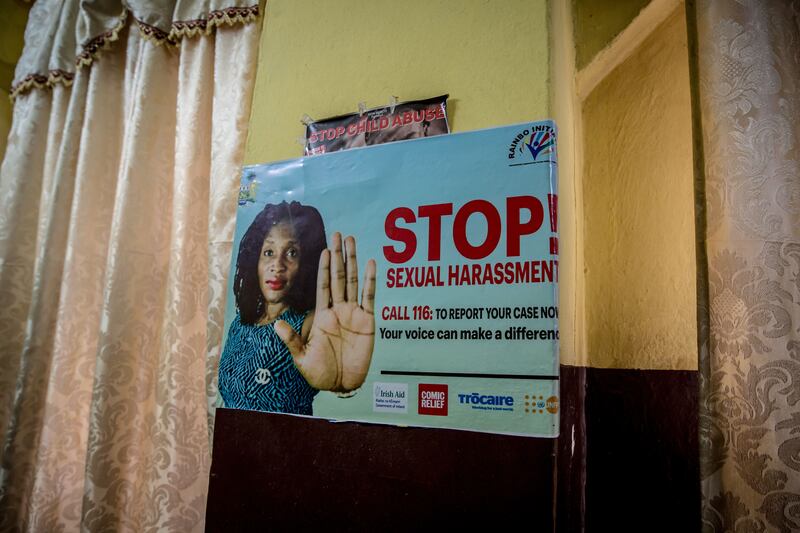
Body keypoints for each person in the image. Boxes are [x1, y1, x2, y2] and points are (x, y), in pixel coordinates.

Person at [218, 201, 376, 415]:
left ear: (306, 263)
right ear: (254, 259)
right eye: (269, 252)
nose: (278, 265)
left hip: (291, 446)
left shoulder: (310, 323)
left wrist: (342, 385)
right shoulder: (240, 322)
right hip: (234, 445)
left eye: (292, 253)